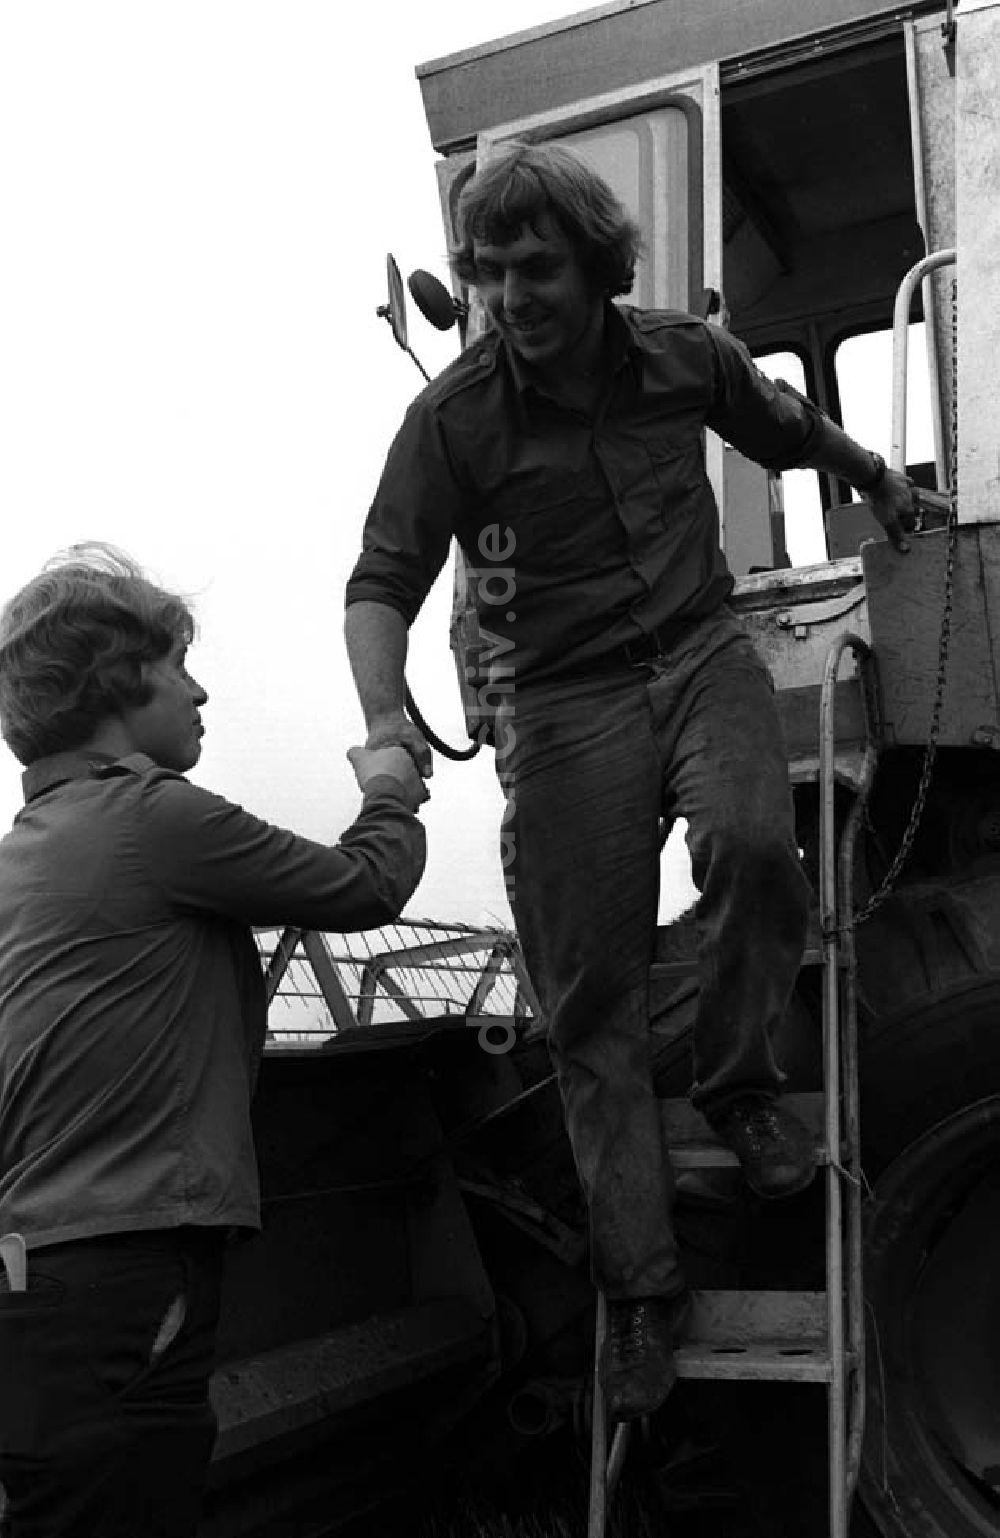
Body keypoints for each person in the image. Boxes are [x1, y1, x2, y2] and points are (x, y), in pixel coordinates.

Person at [344, 140, 914, 1422]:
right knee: (587, 1002)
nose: (507, 293)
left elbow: (783, 424)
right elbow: (383, 583)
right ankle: (644, 1290)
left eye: (534, 267)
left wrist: (874, 474)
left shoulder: (680, 357)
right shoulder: (451, 422)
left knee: (758, 855)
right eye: (486, 270)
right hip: (559, 705)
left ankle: (739, 1083)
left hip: (700, 650)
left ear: (596, 265)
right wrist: (388, 715)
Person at [0, 544, 428, 1537]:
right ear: (119, 681)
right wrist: (391, 783)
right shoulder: (150, 818)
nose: (199, 693)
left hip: (40, 1277)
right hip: (127, 1269)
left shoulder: (34, 846)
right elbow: (364, 884)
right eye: (177, 668)